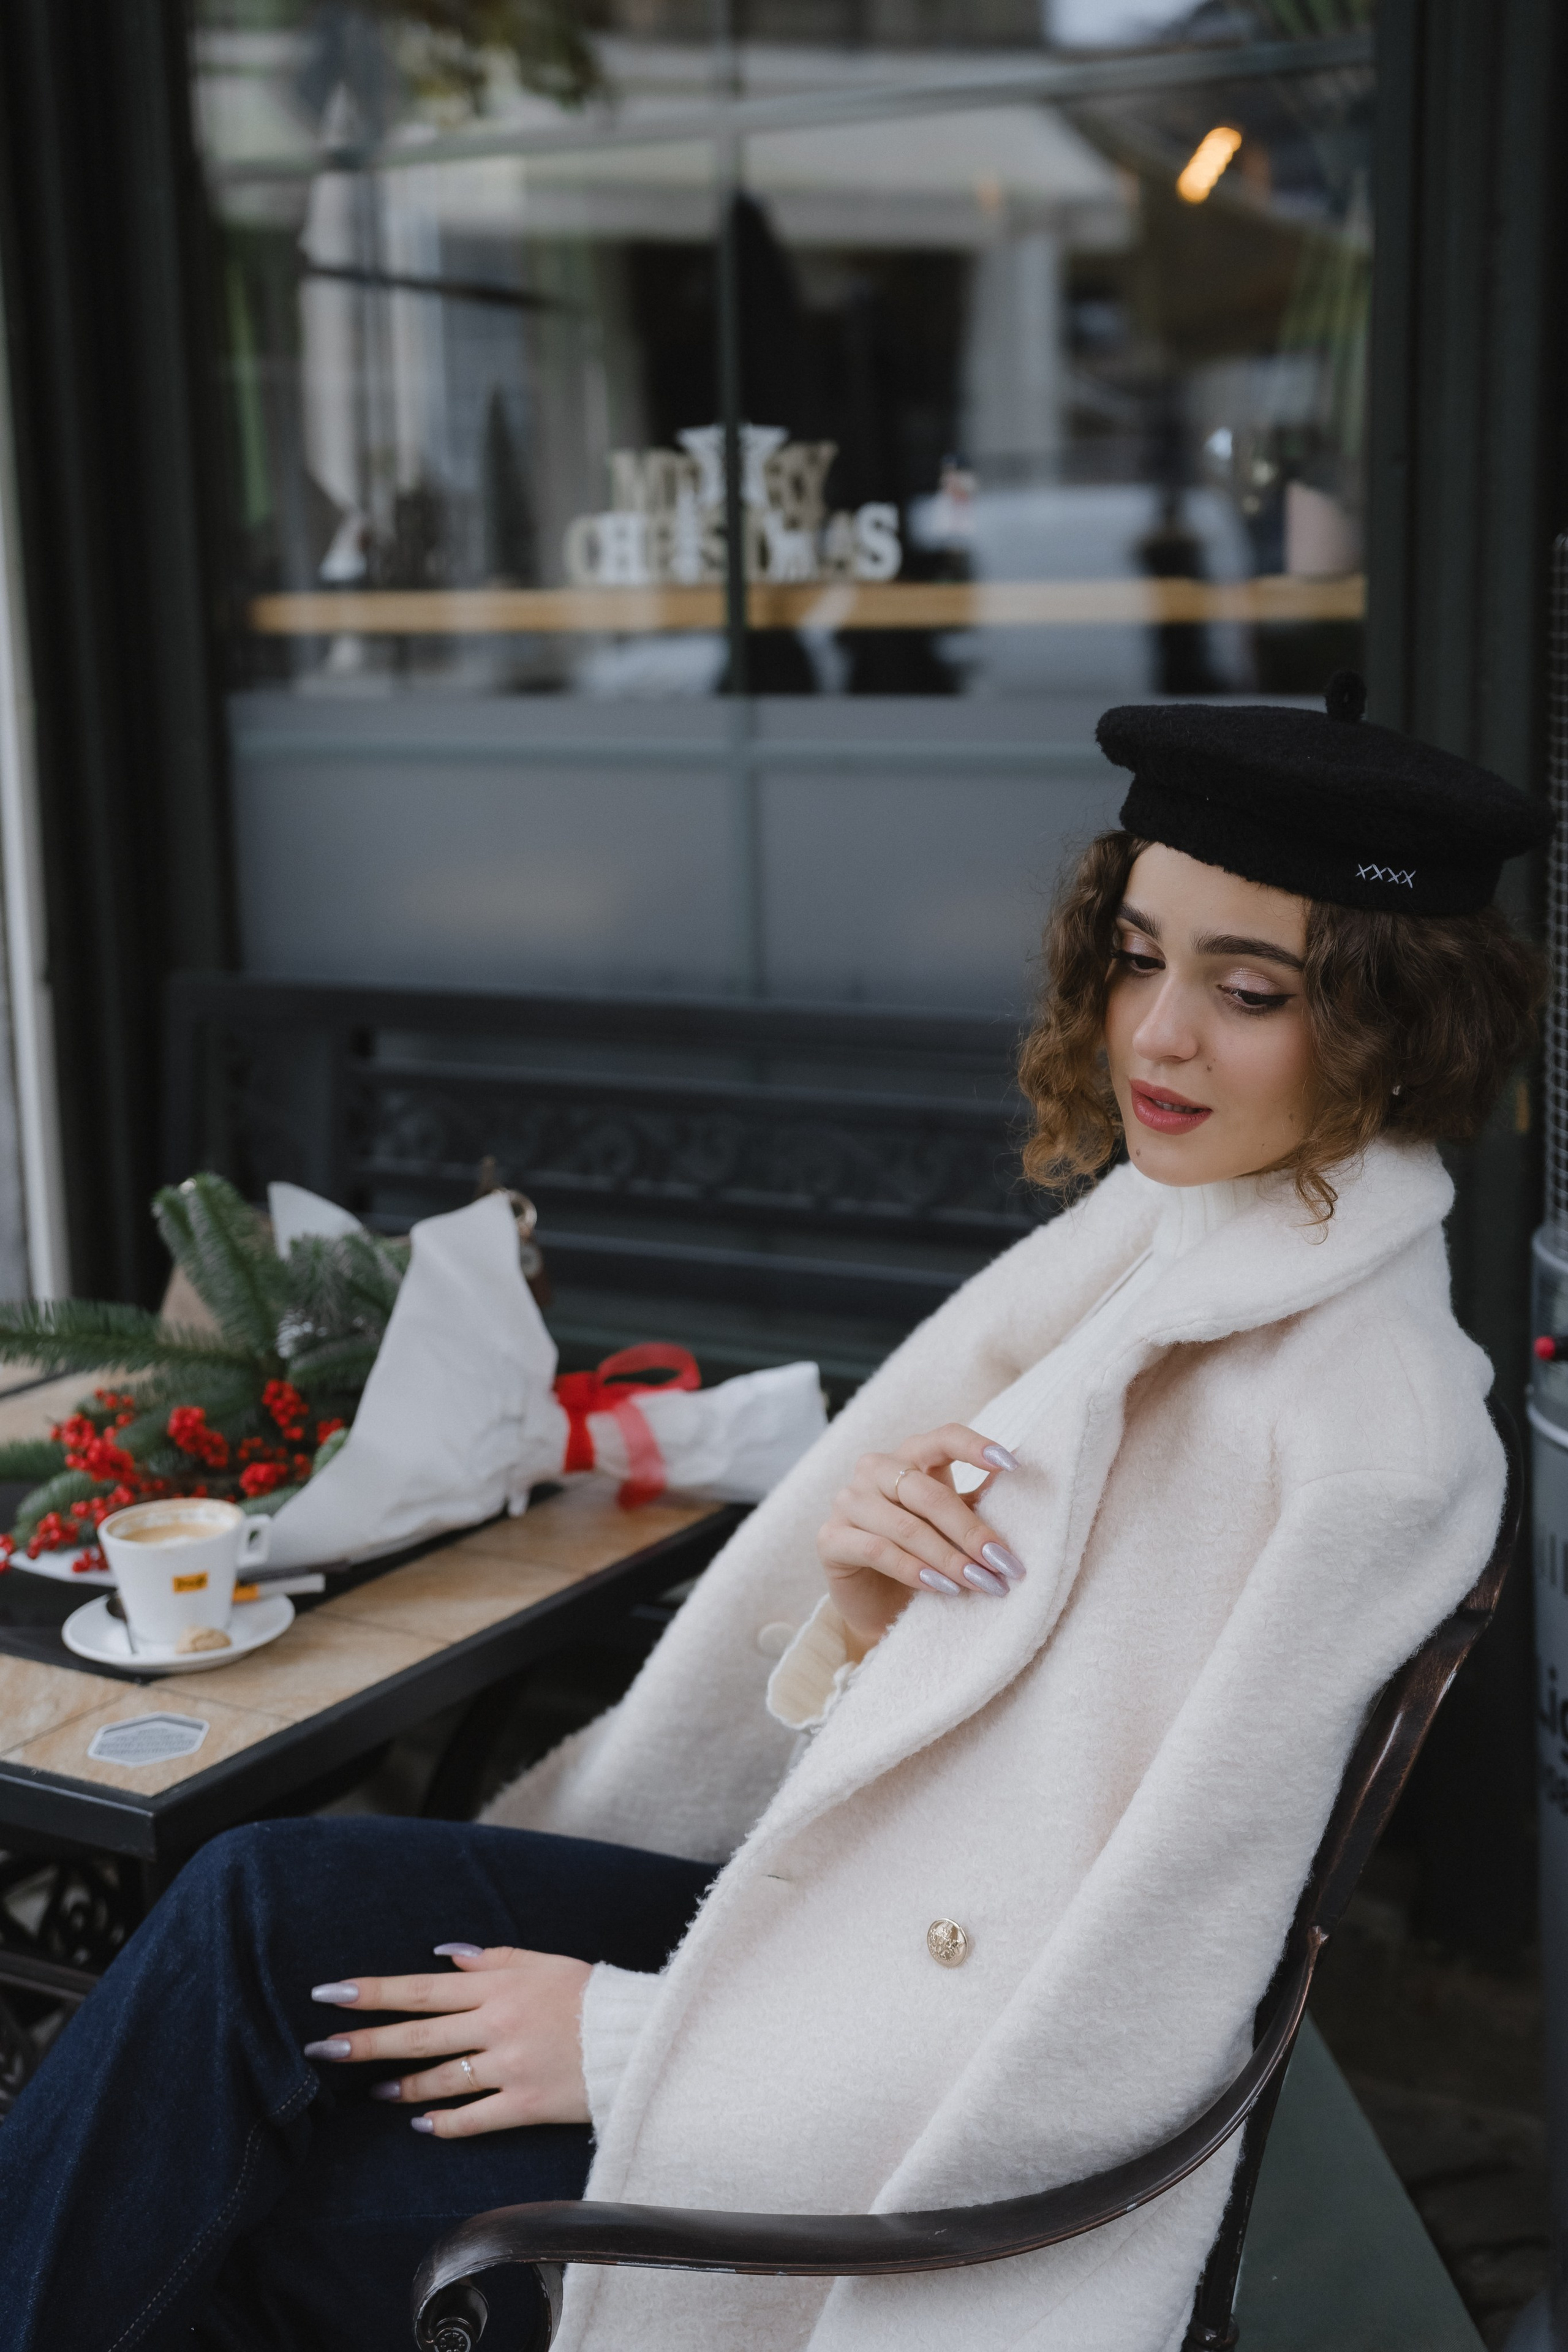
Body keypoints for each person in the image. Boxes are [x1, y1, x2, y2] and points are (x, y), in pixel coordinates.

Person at [0, 676, 1547, 2352]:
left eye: (1247, 990)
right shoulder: (1169, 1246)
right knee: (244, 1909)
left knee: (230, 2186)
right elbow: (979, 1756)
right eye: (1135, 955)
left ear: (1400, 1024)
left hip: (874, 2119)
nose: (1157, 1035)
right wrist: (863, 1621)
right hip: (829, 1947)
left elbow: (1144, 1987)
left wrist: (628, 2044)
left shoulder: (1372, 1439)